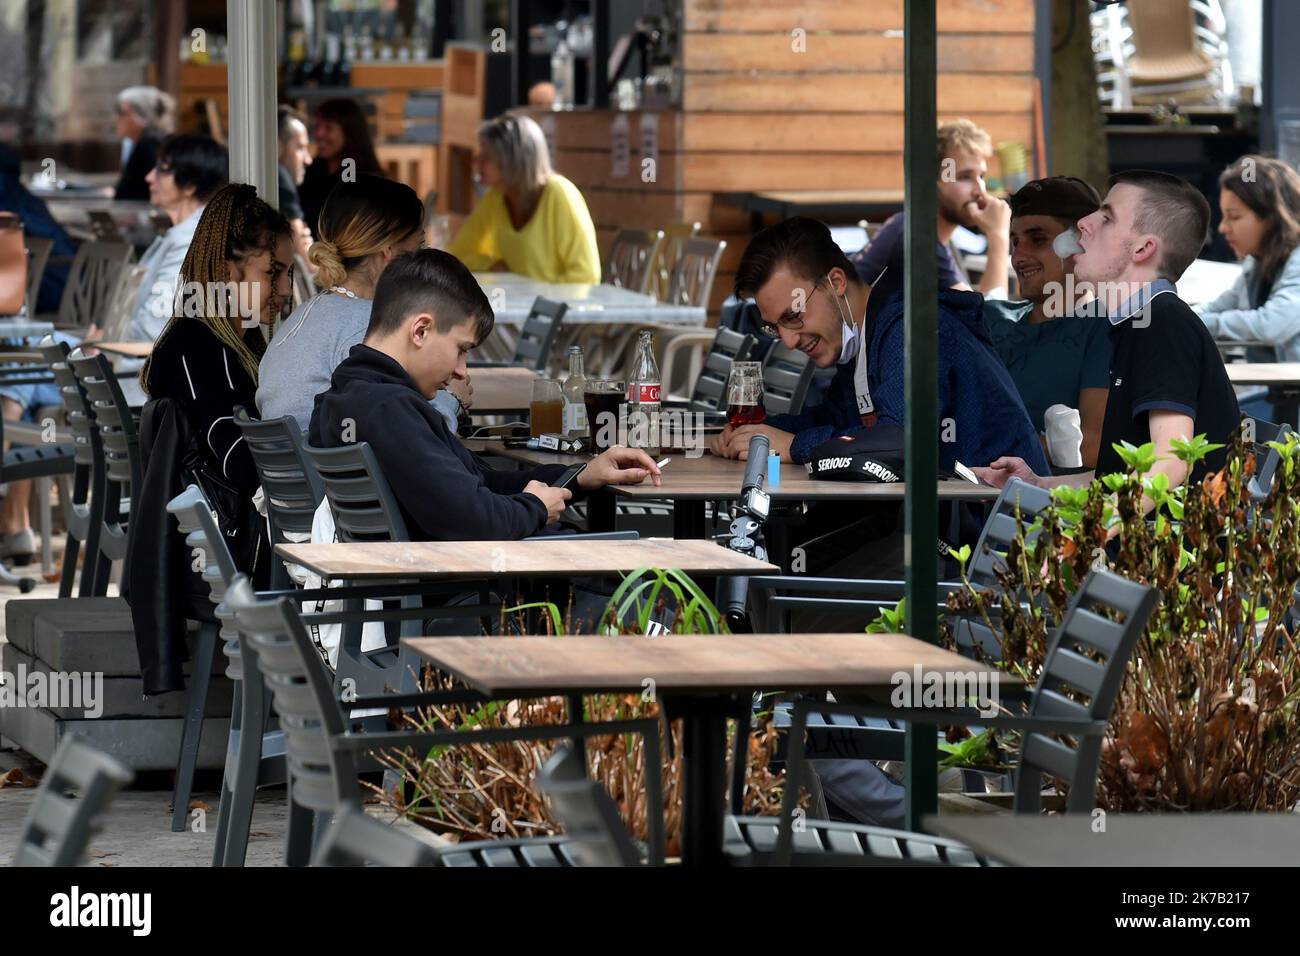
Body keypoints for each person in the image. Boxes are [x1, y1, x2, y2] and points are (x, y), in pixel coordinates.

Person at [309, 249, 659, 540]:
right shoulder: (389, 410)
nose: (463, 370)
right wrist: (535, 508)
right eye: (462, 349)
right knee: (646, 571)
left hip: (441, 596)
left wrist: (581, 475)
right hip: (472, 603)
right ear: (420, 330)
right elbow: (471, 519)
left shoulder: (344, 398)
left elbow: (482, 486)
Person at [711, 216, 1047, 475]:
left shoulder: (909, 327)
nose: (787, 339)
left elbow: (902, 442)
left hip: (999, 543)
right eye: (775, 326)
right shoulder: (866, 330)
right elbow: (840, 422)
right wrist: (757, 436)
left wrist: (796, 446)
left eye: (794, 315)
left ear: (836, 282)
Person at [976, 170, 1241, 497]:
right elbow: (1115, 478)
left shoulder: (1163, 323)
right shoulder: (1136, 322)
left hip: (1166, 544)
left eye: (1106, 217)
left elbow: (1171, 463)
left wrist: (1094, 533)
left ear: (1143, 248)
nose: (1085, 223)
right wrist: (1038, 484)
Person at [258, 174, 466, 432]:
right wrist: (451, 399)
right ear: (389, 251)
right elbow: (415, 438)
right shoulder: (370, 329)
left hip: (298, 469)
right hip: (341, 471)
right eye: (419, 244)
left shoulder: (307, 315)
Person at [142, 182, 295, 503]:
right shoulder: (199, 348)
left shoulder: (236, 343)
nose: (285, 290)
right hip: (224, 543)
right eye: (272, 273)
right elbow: (239, 459)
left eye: (289, 275)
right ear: (229, 273)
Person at [984, 176, 1111, 468]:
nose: (1019, 256)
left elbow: (1091, 447)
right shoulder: (991, 317)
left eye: (1038, 239)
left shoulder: (1104, 327)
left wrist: (984, 443)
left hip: (1045, 506)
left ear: (1082, 243)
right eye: (1015, 242)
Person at [850, 119, 1011, 297]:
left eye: (982, 176)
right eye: (965, 177)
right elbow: (986, 319)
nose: (980, 190)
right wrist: (999, 236)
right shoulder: (918, 239)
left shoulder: (927, 233)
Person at [447, 113, 600, 284]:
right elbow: (458, 255)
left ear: (512, 160)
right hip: (518, 306)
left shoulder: (559, 194)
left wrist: (535, 293)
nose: (476, 161)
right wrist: (489, 264)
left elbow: (586, 275)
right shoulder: (495, 198)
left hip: (561, 309)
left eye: (486, 156)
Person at [1196, 156, 1300, 372]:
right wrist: (1181, 317)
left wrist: (1201, 324)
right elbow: (1220, 306)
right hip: (1273, 393)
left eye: (1234, 217)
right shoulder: (1256, 263)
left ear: (1271, 217)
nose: (1223, 228)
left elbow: (1272, 324)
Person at [296, 98, 385, 237]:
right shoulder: (314, 168)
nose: (318, 134)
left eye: (329, 128)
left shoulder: (364, 176)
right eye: (317, 127)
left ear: (349, 133)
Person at [113, 86, 176, 201]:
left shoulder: (150, 145)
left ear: (140, 116)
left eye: (123, 113)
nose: (117, 118)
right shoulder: (139, 143)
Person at [277, 105, 314, 263]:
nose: (308, 159)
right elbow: (309, 264)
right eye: (300, 147)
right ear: (277, 146)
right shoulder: (279, 175)